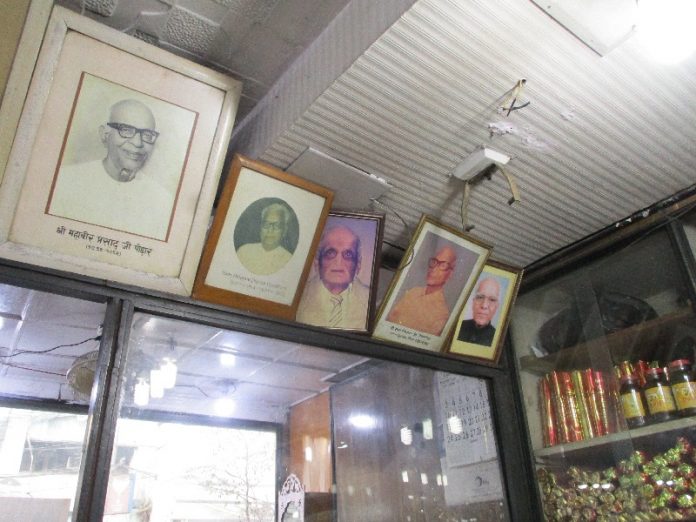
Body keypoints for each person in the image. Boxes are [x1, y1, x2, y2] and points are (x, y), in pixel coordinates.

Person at [48, 99, 174, 240]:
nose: (138, 143)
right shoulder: (65, 180)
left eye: (147, 135)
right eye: (126, 130)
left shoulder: (163, 201)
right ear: (105, 134)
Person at [296, 225, 370, 329]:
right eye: (330, 253)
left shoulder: (371, 301)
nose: (338, 262)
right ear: (317, 261)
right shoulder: (297, 296)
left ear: (358, 264)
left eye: (348, 254)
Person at [386, 245, 457, 336]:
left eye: (443, 265)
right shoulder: (413, 292)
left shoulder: (441, 314)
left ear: (450, 274)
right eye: (434, 262)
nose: (434, 269)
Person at [237, 202, 293, 275]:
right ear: (260, 227)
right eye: (266, 224)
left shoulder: (289, 260)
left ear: (284, 231)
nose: (270, 230)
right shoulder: (243, 251)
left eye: (277, 225)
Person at [457, 277, 501, 346]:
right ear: (473, 302)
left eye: (492, 300)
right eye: (480, 297)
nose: (484, 305)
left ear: (496, 306)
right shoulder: (457, 326)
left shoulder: (497, 340)